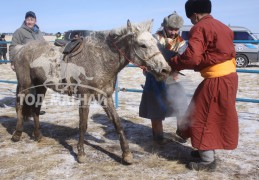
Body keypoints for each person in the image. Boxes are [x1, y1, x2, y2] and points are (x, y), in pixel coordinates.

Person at [169, 0, 238, 171]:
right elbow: (217, 54)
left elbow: (192, 58)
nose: (191, 21)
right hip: (228, 77)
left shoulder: (200, 27)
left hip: (217, 80)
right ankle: (204, 151)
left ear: (195, 14)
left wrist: (174, 62)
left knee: (203, 117)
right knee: (208, 113)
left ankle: (207, 161)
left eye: (191, 18)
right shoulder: (223, 27)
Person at [139, 11, 188, 144]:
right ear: (164, 26)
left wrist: (177, 69)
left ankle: (182, 133)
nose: (173, 32)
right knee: (155, 110)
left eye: (176, 29)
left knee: (181, 106)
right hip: (154, 79)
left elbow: (183, 60)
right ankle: (158, 138)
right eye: (170, 29)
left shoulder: (182, 43)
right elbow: (144, 56)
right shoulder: (154, 38)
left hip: (173, 79)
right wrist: (144, 66)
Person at [9, 11, 46, 116]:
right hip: (24, 65)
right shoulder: (19, 32)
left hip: (38, 67)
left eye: (32, 19)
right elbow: (13, 47)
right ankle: (22, 110)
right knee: (24, 88)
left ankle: (35, 110)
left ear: (35, 20)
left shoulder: (38, 32)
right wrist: (12, 62)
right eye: (28, 19)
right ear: (25, 20)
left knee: (38, 88)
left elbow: (44, 46)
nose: (30, 21)